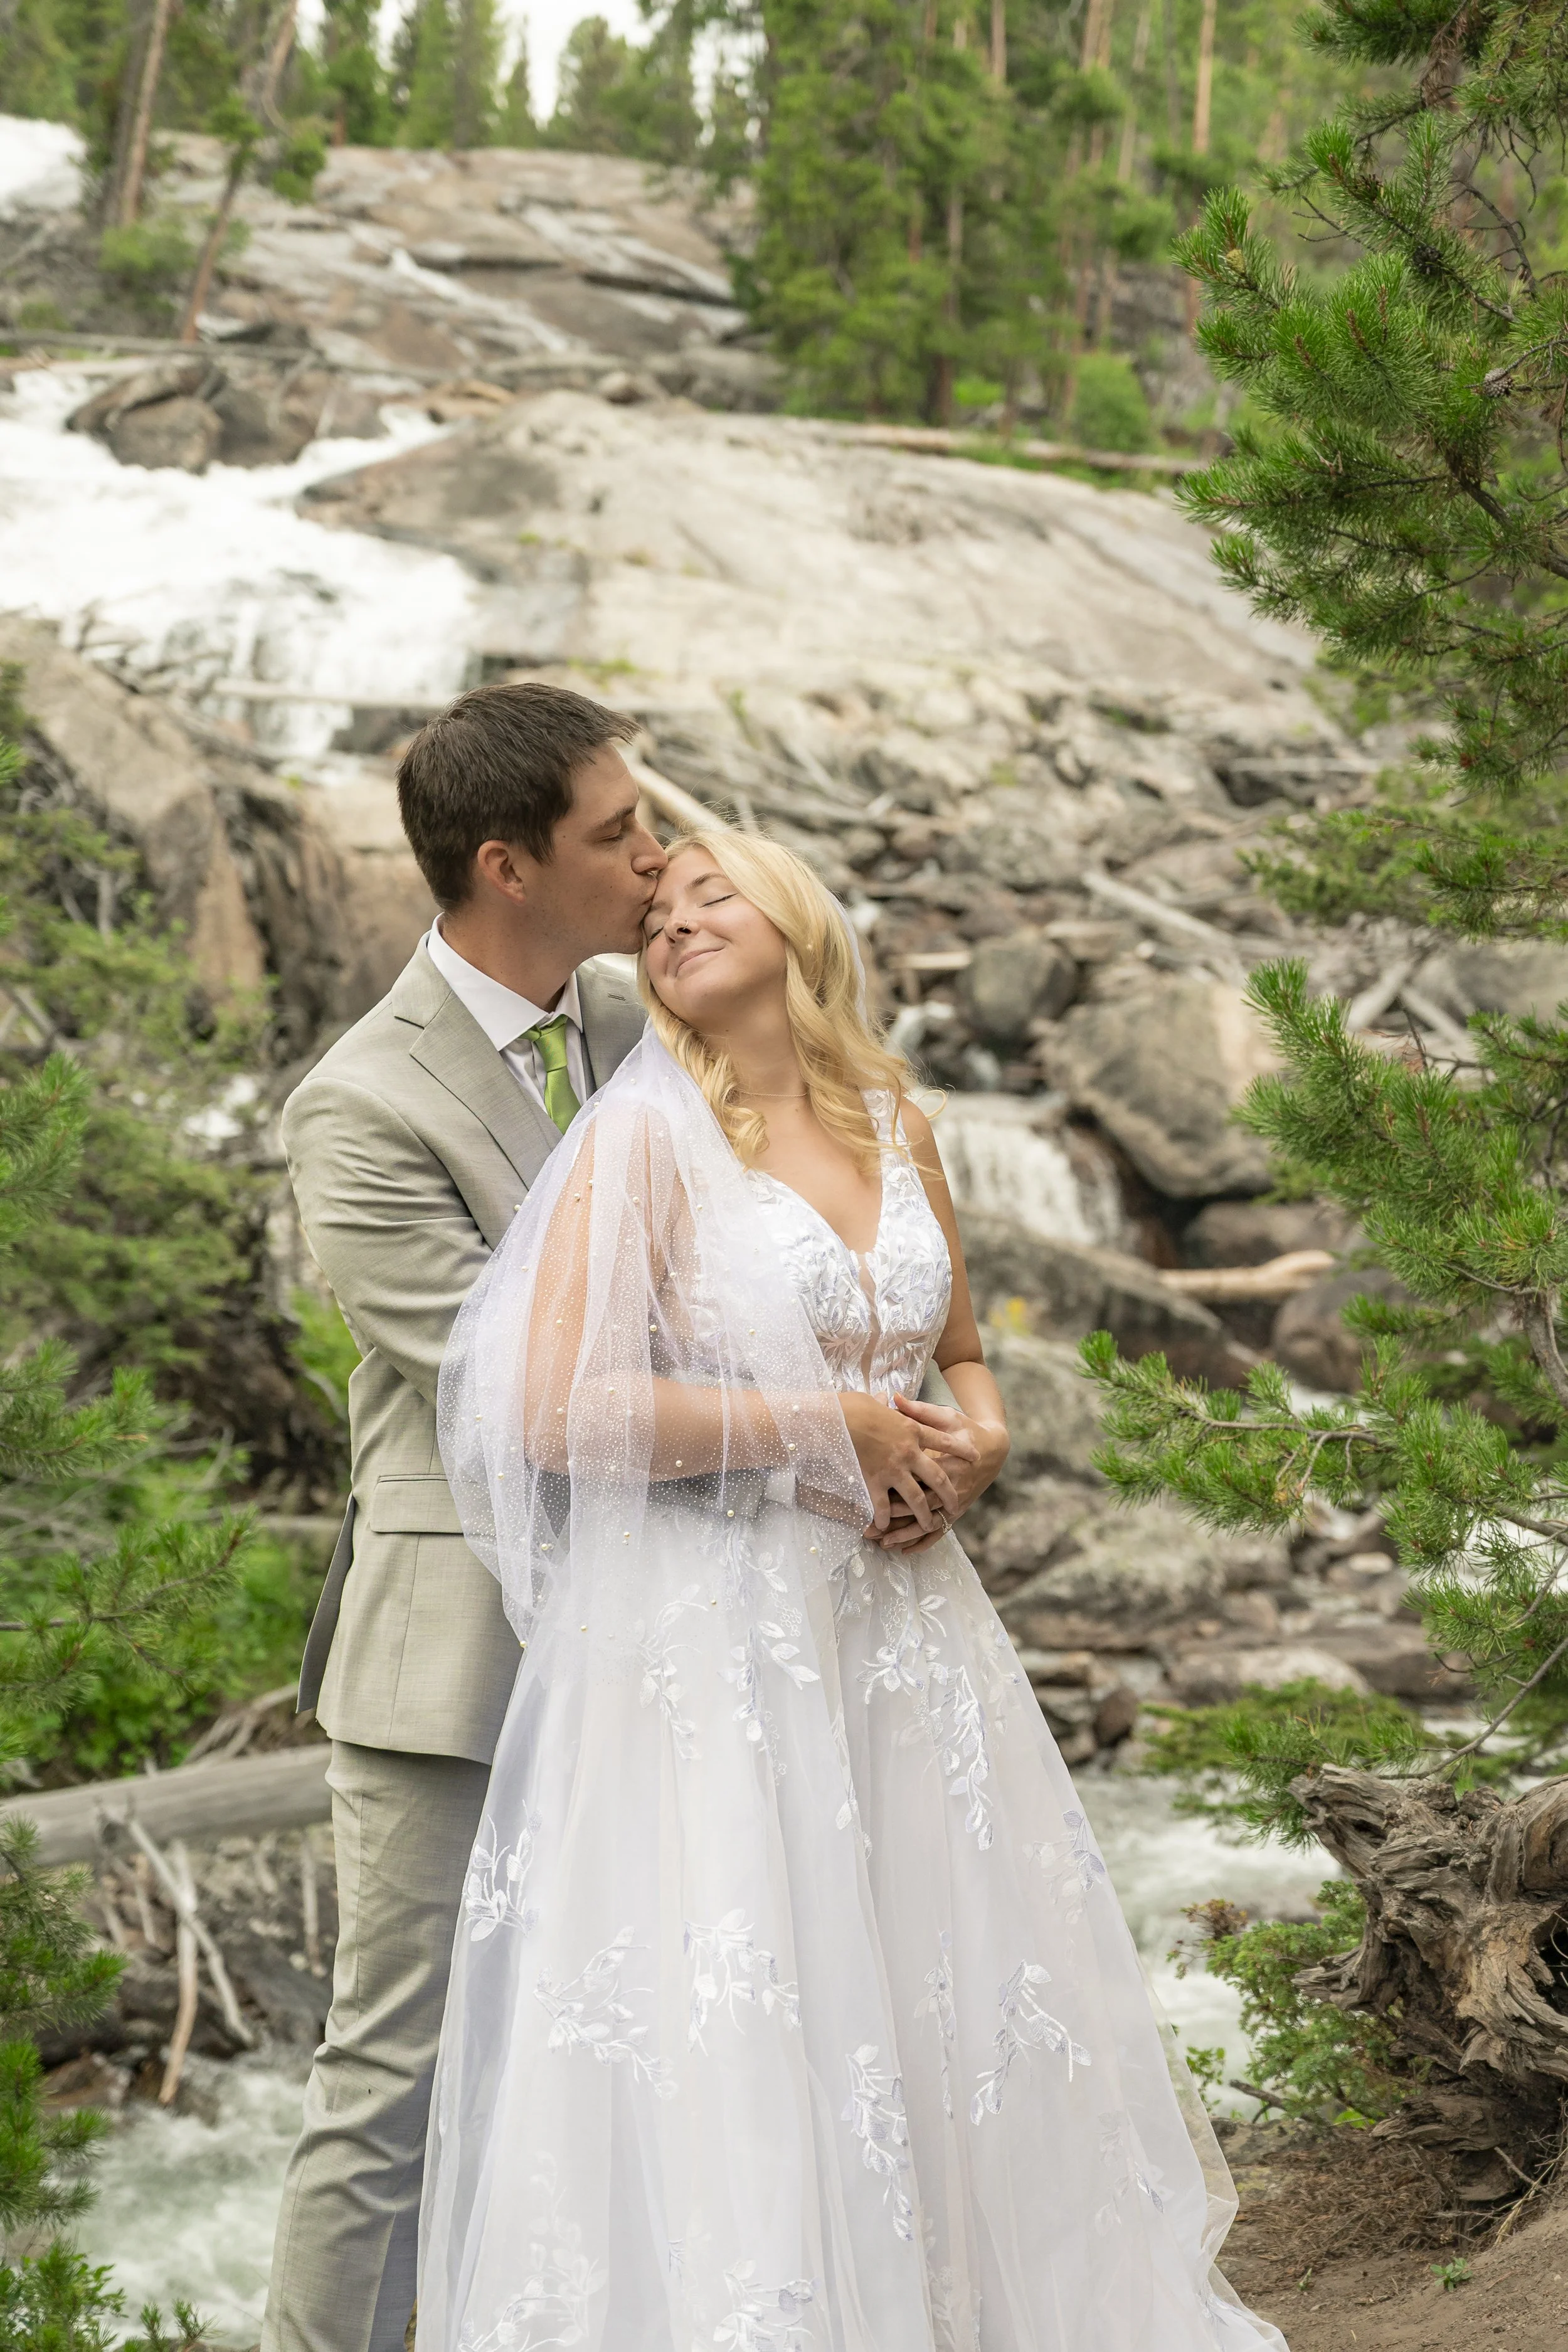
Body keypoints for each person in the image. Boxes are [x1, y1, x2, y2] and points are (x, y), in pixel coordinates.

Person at [418, 831, 1289, 2351]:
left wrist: (985, 1432)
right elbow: (559, 1410)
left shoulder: (897, 1115)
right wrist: (833, 1431)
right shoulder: (642, 1139)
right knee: (762, 1995)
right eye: (659, 911)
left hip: (904, 1627)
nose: (675, 919)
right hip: (723, 1623)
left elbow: (952, 1345)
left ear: (795, 923)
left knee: (934, 1986)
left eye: (712, 896)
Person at [265, 686, 978, 2352]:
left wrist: (930, 1400)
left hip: (714, 1631)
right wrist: (838, 1425)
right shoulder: (360, 1105)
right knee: (401, 2073)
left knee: (709, 2032)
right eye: (617, 834)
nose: (655, 860)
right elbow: (516, 1391)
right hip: (470, 1656)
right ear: (505, 866)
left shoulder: (647, 1016)